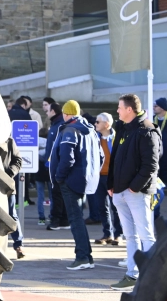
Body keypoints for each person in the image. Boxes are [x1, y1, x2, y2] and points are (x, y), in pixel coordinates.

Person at [109, 93, 161, 290]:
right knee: (130, 236)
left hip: (136, 193)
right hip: (120, 192)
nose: (117, 111)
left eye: (120, 107)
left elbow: (151, 165)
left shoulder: (147, 130)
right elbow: (115, 159)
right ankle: (132, 275)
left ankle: (154, 277)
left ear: (129, 109)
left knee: (146, 234)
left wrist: (133, 187)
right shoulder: (123, 129)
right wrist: (111, 185)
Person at [51, 100, 98, 270]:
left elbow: (67, 158)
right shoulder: (90, 130)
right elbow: (100, 156)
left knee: (75, 219)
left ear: (66, 114)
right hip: (84, 179)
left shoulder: (70, 130)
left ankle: (83, 257)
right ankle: (87, 256)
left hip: (70, 181)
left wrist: (59, 177)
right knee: (78, 218)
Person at [92, 113, 119, 246]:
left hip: (113, 177)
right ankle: (107, 234)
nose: (95, 124)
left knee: (116, 206)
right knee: (102, 207)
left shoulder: (117, 138)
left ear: (106, 124)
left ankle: (118, 234)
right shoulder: (94, 138)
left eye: (98, 122)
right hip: (98, 177)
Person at [43, 100, 69, 230]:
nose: (46, 113)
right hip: (54, 164)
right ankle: (63, 220)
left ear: (53, 111)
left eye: (48, 110)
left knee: (57, 194)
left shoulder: (59, 126)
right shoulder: (56, 125)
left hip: (57, 165)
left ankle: (57, 220)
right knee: (59, 193)